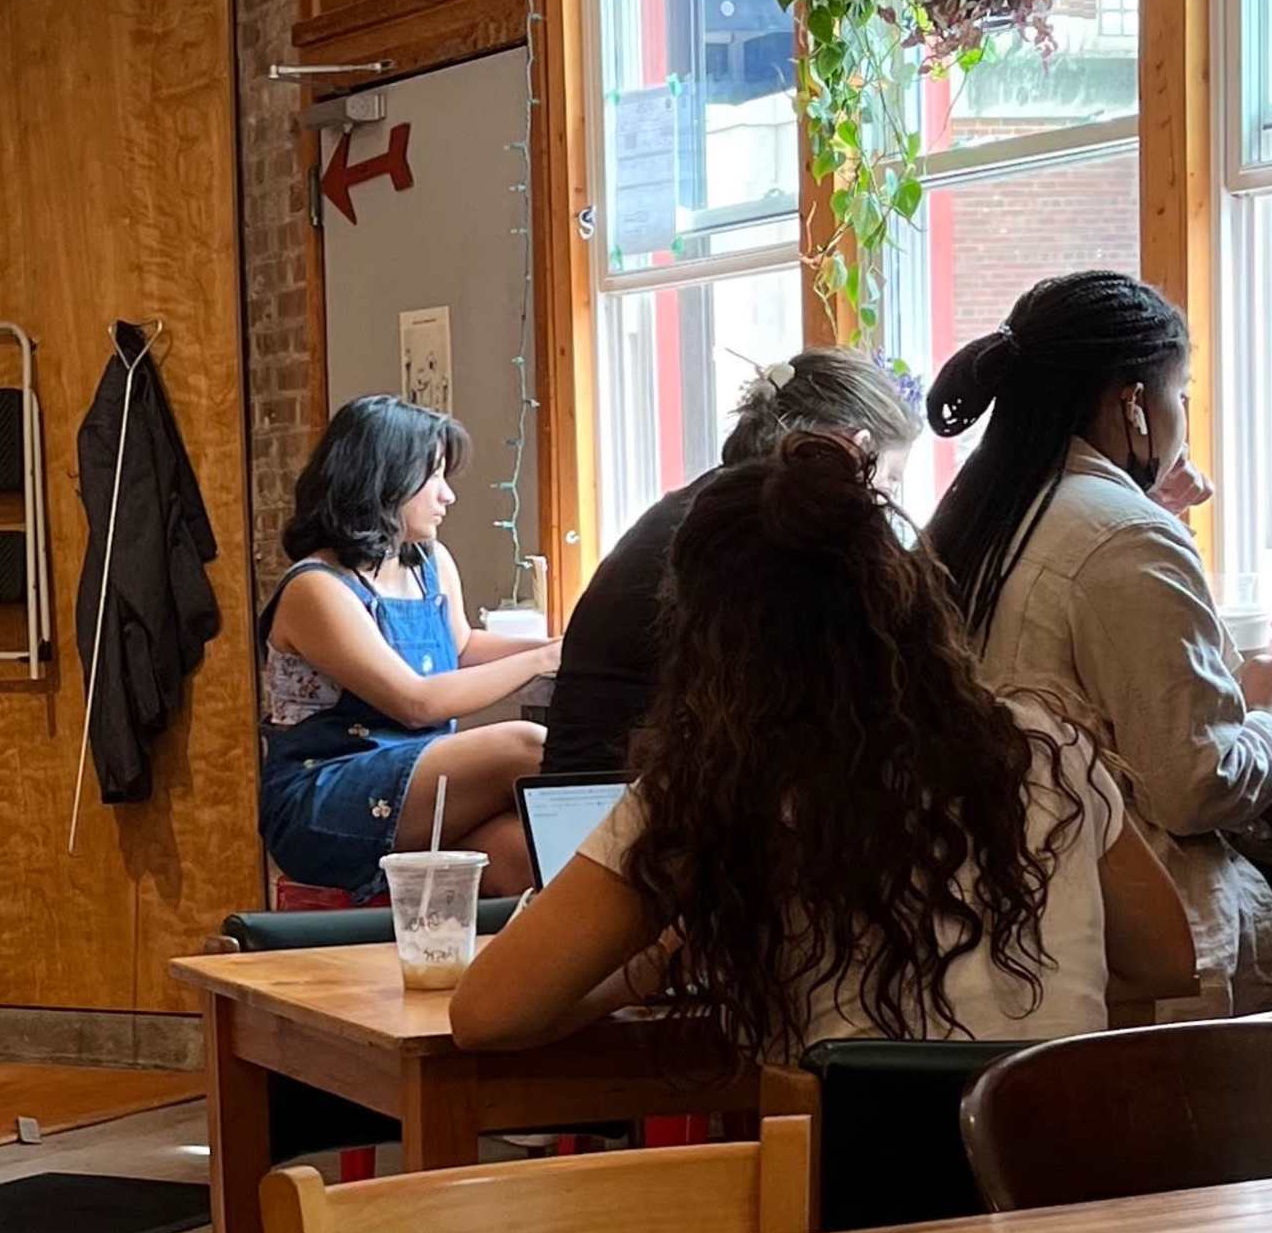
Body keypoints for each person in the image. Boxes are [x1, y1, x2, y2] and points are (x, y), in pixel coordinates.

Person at [450, 436, 1195, 1058]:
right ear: (905, 595)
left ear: (709, 638)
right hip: (1053, 1192)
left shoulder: (716, 788)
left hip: (852, 1208)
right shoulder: (1044, 747)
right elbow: (1164, 959)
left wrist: (668, 953)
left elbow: (488, 1015)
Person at [922, 268, 1272, 1028]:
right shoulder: (1124, 536)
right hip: (1124, 917)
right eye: (1183, 396)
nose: (1186, 421)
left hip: (985, 908)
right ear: (1133, 403)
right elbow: (1195, 788)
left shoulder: (969, 520)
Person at [538, 343, 921, 781]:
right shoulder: (759, 529)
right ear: (857, 448)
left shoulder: (710, 505)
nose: (885, 503)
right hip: (615, 803)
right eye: (889, 481)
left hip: (602, 787)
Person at [257, 393, 553, 894]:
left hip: (416, 775)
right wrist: (544, 659)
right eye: (433, 476)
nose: (447, 496)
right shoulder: (316, 588)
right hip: (325, 791)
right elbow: (415, 702)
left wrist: (568, 646)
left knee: (521, 856)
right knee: (528, 746)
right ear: (383, 479)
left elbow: (461, 646)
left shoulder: (430, 561)